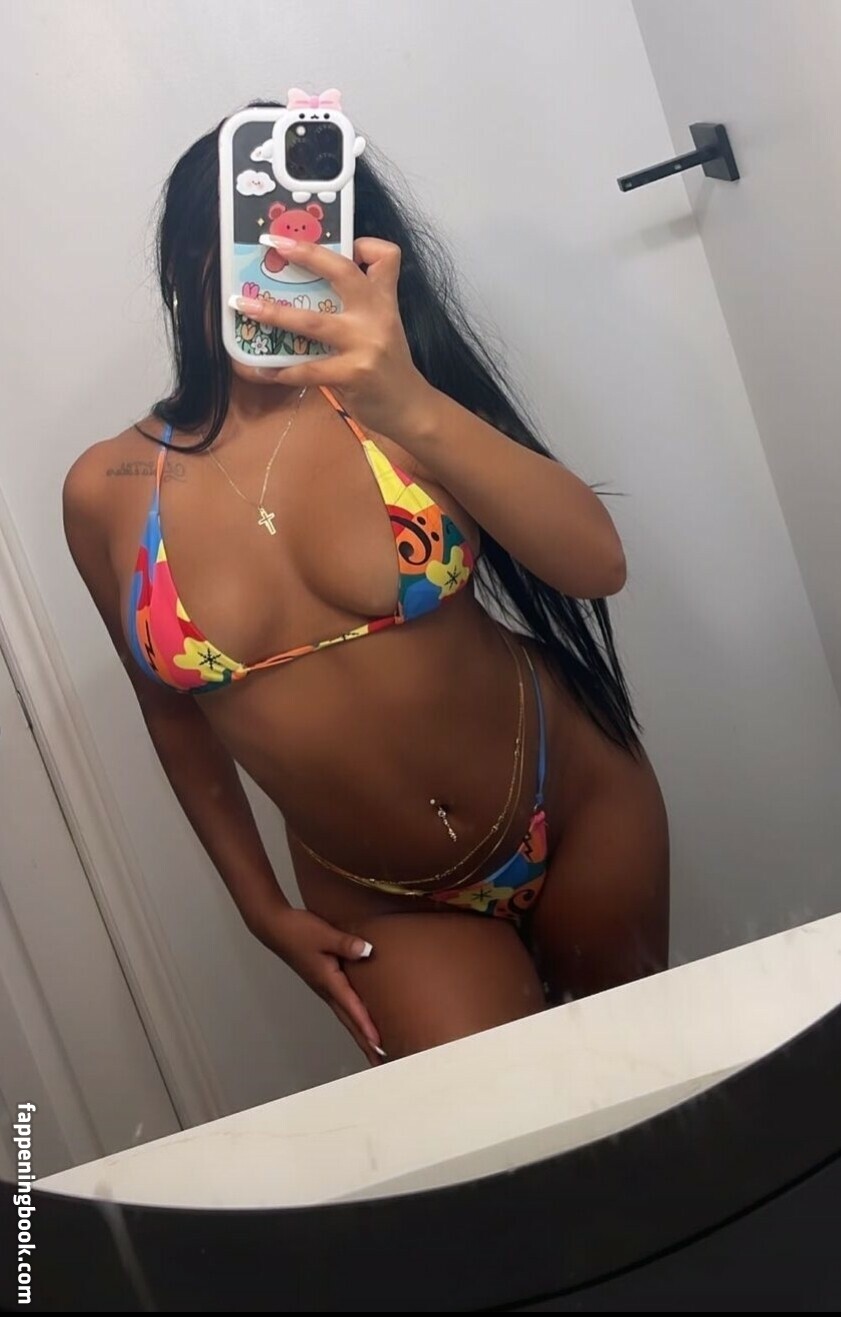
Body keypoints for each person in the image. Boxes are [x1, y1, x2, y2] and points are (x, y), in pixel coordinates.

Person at [63, 103, 670, 1067]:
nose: (282, 263)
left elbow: (597, 566)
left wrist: (411, 402)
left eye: (311, 238)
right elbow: (171, 715)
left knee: (654, 1090)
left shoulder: (393, 397)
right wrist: (260, 906)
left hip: (576, 794)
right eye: (253, 240)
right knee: (511, 1138)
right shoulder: (109, 488)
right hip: (382, 897)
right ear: (187, 261)